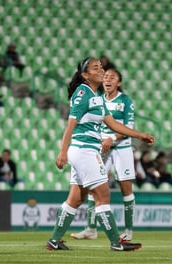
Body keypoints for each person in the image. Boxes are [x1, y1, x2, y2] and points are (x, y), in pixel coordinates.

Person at [46, 57, 154, 251]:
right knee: (103, 196)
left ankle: (54, 240)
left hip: (84, 151)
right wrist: (62, 152)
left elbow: (112, 124)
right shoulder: (83, 92)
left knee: (75, 199)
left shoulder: (96, 97)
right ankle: (116, 242)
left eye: (101, 67)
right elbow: (71, 123)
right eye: (95, 68)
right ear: (85, 75)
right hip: (84, 151)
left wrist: (140, 135)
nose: (101, 70)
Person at [70, 67, 137, 241]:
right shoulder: (97, 99)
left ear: (119, 83)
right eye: (106, 76)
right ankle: (91, 229)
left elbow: (128, 128)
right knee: (94, 186)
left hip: (122, 148)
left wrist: (112, 138)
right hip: (102, 148)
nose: (108, 80)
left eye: (112, 77)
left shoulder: (126, 101)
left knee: (125, 189)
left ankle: (128, 231)